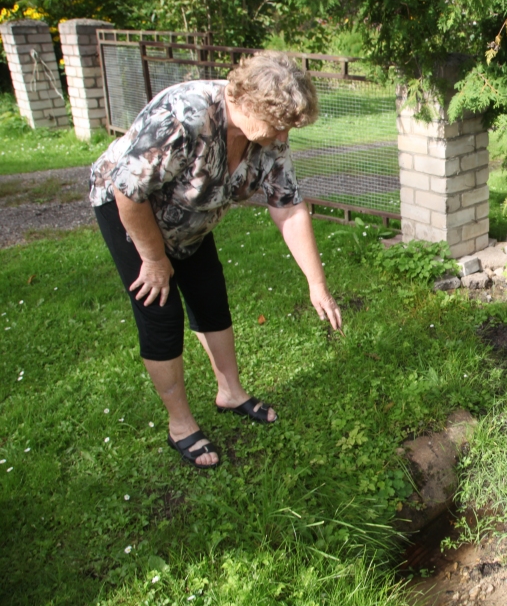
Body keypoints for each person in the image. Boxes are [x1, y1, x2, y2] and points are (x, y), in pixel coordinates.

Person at [89, 51, 343, 470]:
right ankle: (180, 424)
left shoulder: (269, 138)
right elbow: (127, 193)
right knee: (161, 311)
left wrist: (317, 283)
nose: (283, 137)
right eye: (277, 124)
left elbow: (289, 207)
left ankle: (231, 393)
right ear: (246, 103)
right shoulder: (183, 117)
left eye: (288, 127)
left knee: (209, 296)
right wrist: (153, 259)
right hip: (131, 212)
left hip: (190, 218)